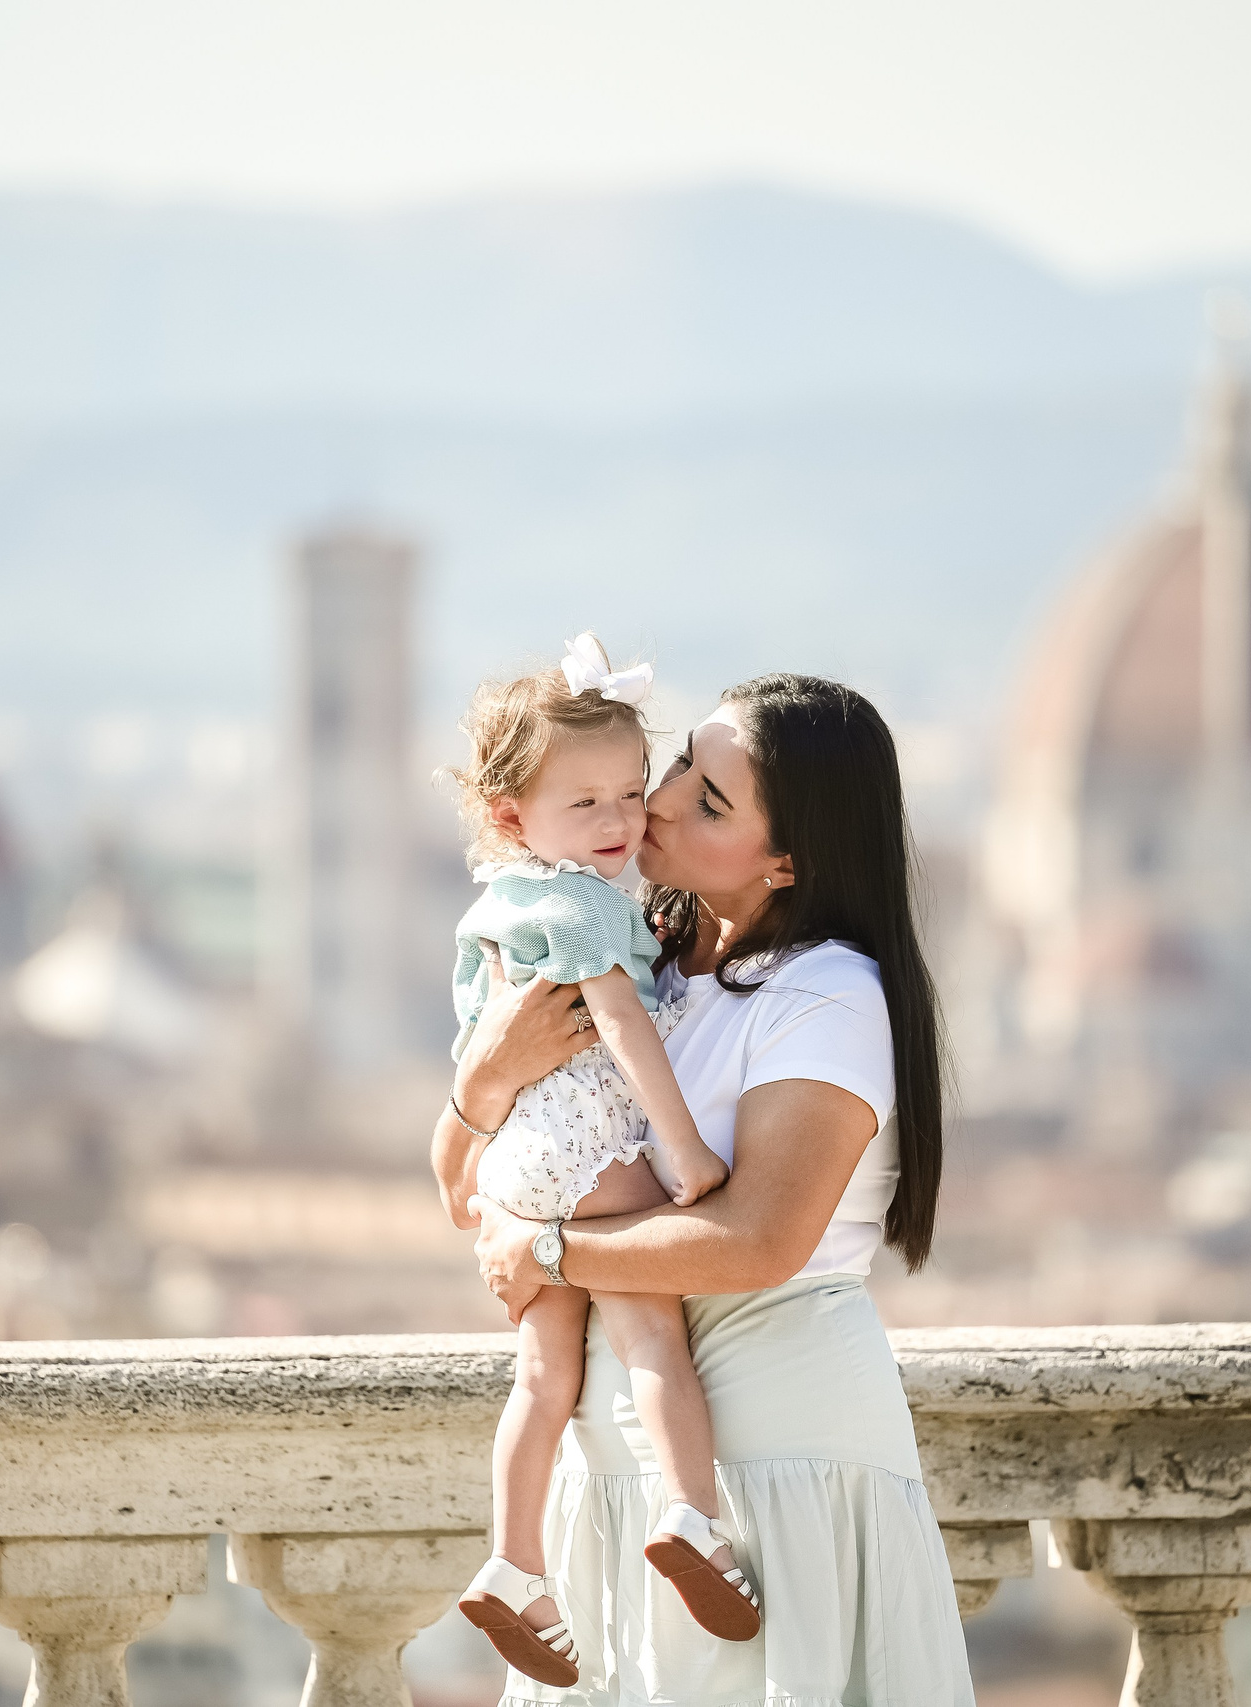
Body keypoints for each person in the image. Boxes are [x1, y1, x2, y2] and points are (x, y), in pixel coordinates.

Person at [432, 672, 976, 1706]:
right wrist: (490, 1071)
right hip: (621, 1486)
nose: (659, 801)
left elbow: (759, 1238)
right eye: (679, 764)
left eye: (708, 800)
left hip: (773, 1469)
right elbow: (461, 1187)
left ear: (785, 862)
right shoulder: (637, 957)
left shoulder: (827, 994)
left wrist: (548, 1253)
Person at [442, 635, 760, 1687]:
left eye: (631, 792)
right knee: (654, 1336)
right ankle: (694, 1517)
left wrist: (478, 1158)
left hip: (520, 1158)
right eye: (587, 805)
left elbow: (473, 1059)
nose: (622, 823)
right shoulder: (585, 904)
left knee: (543, 1378)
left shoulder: (499, 904)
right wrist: (681, 1150)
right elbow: (619, 1023)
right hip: (590, 1143)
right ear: (510, 814)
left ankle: (514, 1562)